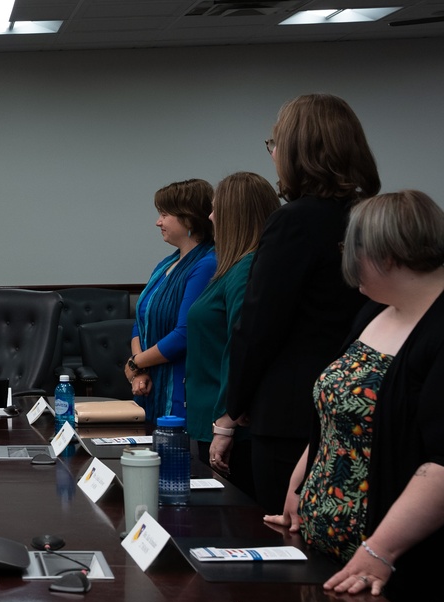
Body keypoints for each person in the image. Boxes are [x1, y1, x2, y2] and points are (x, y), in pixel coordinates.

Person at [264, 190, 444, 602]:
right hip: (330, 550)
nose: (345, 260)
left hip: (393, 566)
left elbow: (441, 465)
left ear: (386, 253)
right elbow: (337, 411)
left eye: (351, 248)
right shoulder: (372, 311)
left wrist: (380, 550)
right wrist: (300, 485)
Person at [226, 93, 380, 513]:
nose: (273, 155)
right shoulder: (370, 214)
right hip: (356, 402)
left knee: (283, 539)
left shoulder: (294, 220)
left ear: (297, 151)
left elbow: (259, 322)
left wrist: (236, 400)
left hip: (290, 410)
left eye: (275, 145)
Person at [186, 173, 280, 497]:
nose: (210, 217)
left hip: (228, 424)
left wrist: (226, 419)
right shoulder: (231, 267)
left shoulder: (247, 268)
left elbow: (241, 345)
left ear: (235, 214)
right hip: (210, 418)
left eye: (215, 209)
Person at [125, 178, 216, 423]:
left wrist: (135, 364)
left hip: (179, 390)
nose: (158, 222)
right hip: (148, 384)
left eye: (164, 214)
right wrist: (140, 370)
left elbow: (184, 335)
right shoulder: (165, 264)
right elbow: (140, 320)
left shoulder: (207, 264)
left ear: (188, 217)